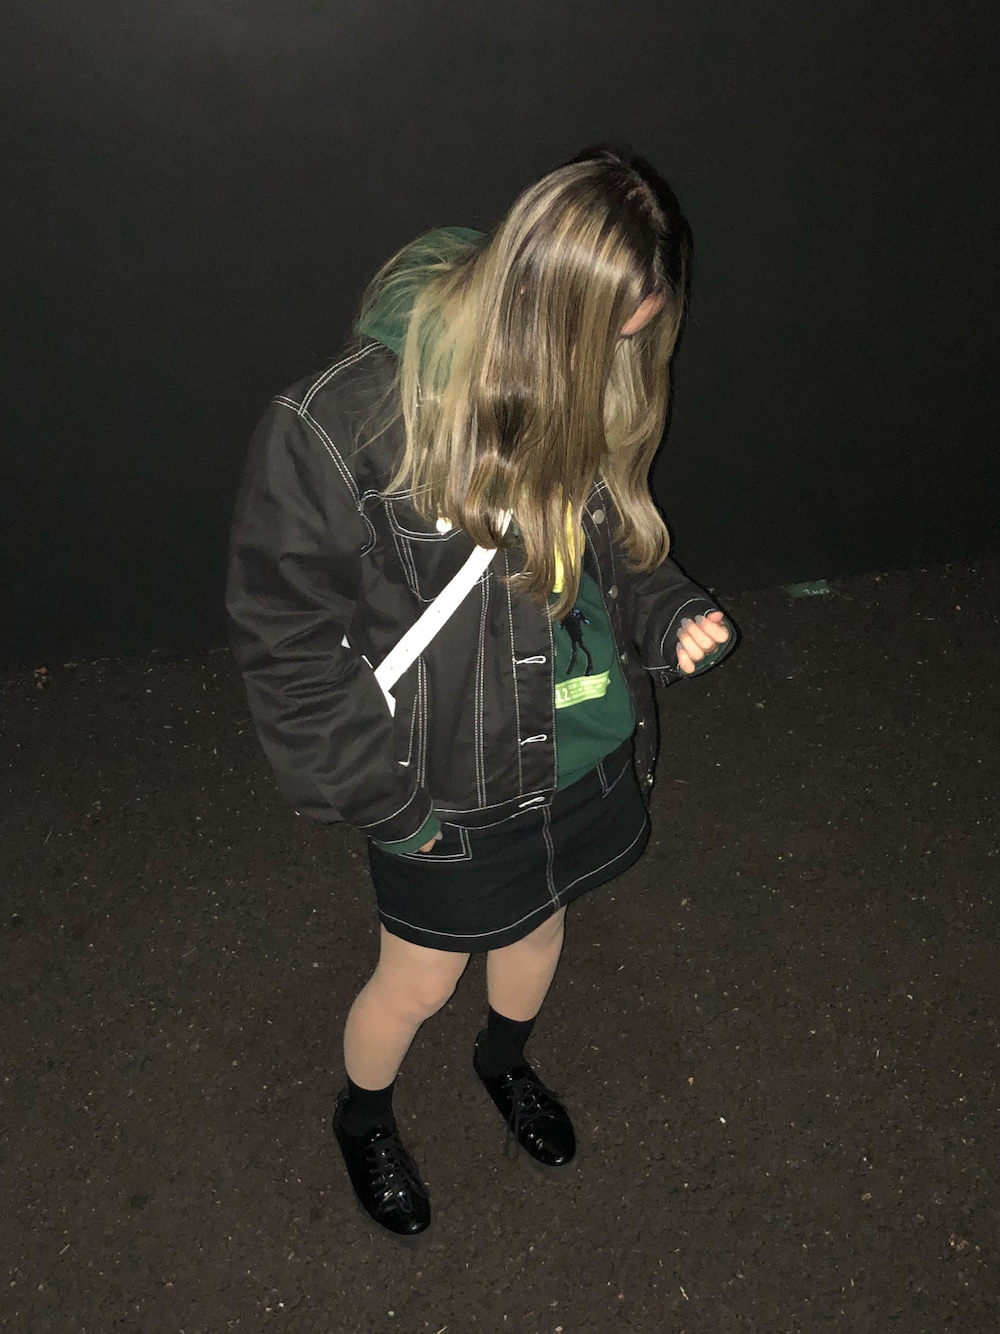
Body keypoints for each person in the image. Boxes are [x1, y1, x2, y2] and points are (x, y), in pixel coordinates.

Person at [226, 146, 735, 1238]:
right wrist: (386, 802)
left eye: (635, 337)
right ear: (540, 300)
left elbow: (610, 546)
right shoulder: (343, 422)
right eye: (605, 338)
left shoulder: (585, 366)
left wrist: (666, 610)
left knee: (539, 933)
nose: (617, 362)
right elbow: (287, 643)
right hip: (444, 779)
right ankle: (363, 1115)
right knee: (417, 981)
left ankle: (504, 1062)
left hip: (581, 748)